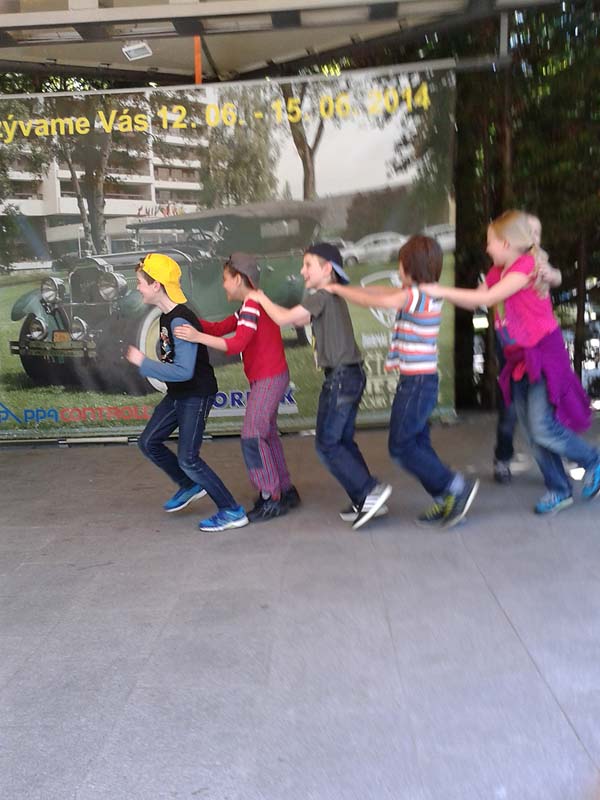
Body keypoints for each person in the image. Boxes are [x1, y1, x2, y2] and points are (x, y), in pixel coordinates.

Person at [421, 210, 600, 515]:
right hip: (518, 359)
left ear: (506, 244)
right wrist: (437, 292)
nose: (487, 247)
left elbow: (490, 299)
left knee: (542, 427)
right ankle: (559, 489)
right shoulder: (497, 272)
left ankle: (593, 460)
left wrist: (438, 290)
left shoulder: (526, 266)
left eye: (490, 241)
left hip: (542, 355)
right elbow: (476, 300)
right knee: (531, 432)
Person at [325, 235, 479, 528]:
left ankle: (456, 487)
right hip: (419, 382)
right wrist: (347, 286)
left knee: (401, 446)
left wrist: (337, 289)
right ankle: (446, 496)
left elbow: (378, 300)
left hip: (417, 384)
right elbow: (381, 290)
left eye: (400, 265)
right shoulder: (421, 293)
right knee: (417, 443)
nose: (397, 271)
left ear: (411, 267)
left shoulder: (416, 296)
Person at [248, 242, 391, 530]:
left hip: (341, 378)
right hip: (349, 375)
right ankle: (365, 498)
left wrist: (259, 296)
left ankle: (369, 491)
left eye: (308, 265)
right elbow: (296, 318)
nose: (302, 271)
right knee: (342, 442)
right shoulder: (327, 297)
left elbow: (284, 318)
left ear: (327, 269)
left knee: (327, 444)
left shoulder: (322, 295)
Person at [125, 252, 248, 532]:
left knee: (188, 459)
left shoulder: (180, 320)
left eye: (140, 282)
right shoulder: (166, 317)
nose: (138, 288)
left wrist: (144, 363)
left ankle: (232, 510)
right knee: (148, 442)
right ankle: (189, 485)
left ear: (156, 285)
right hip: (179, 394)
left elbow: (183, 371)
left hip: (196, 394)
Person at [173, 252, 299, 523]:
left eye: (225, 279)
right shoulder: (249, 305)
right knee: (266, 435)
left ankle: (271, 496)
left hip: (268, 379)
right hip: (271, 377)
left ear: (239, 279)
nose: (223, 285)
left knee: (252, 437)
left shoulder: (252, 305)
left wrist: (197, 336)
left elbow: (236, 344)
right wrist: (185, 319)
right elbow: (221, 328)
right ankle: (284, 490)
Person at [492, 213, 562, 484]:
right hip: (509, 346)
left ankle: (555, 472)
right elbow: (490, 292)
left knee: (541, 416)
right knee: (510, 410)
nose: (533, 238)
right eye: (527, 232)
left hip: (537, 348)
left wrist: (551, 275)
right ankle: (503, 457)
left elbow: (555, 276)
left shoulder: (538, 261)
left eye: (537, 233)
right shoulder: (505, 264)